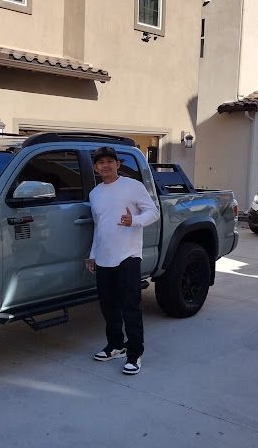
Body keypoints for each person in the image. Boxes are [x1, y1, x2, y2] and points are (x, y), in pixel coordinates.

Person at [87, 146, 160, 375]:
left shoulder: (133, 186)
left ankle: (135, 353)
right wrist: (93, 254)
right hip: (104, 258)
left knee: (130, 306)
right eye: (100, 163)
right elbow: (99, 226)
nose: (105, 165)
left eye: (110, 161)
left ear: (118, 164)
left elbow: (153, 212)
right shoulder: (95, 193)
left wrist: (134, 221)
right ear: (96, 168)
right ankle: (115, 345)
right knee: (108, 306)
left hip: (128, 255)